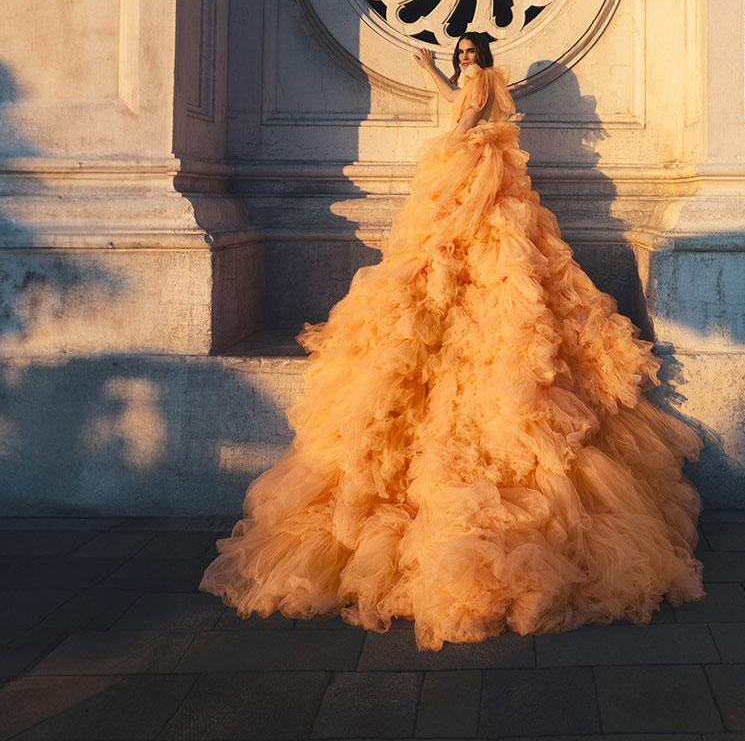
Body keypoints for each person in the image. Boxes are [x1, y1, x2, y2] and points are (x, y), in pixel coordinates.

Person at [199, 34, 704, 650]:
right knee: (463, 274)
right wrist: (431, 70)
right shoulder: (480, 80)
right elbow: (460, 102)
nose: (465, 59)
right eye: (461, 53)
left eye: (469, 52)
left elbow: (465, 119)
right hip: (477, 178)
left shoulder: (483, 86)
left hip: (473, 177)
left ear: (482, 55)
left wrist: (451, 137)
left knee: (473, 275)